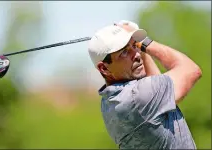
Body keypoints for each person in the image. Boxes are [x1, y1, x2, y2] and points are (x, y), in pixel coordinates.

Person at [87, 20, 202, 149]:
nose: (136, 54)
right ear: (104, 68)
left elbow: (157, 84)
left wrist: (136, 43)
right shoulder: (137, 96)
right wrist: (145, 42)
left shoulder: (109, 102)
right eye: (124, 52)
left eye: (134, 46)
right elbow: (191, 70)